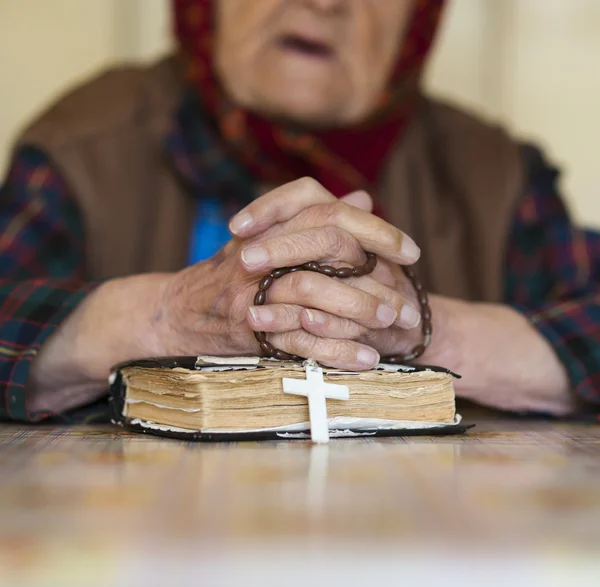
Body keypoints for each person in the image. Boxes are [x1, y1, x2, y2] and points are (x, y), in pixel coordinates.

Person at [1, 0, 598, 424]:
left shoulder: (494, 172)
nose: (323, 3)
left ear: (420, 19)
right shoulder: (84, 143)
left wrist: (415, 327)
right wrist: (167, 315)